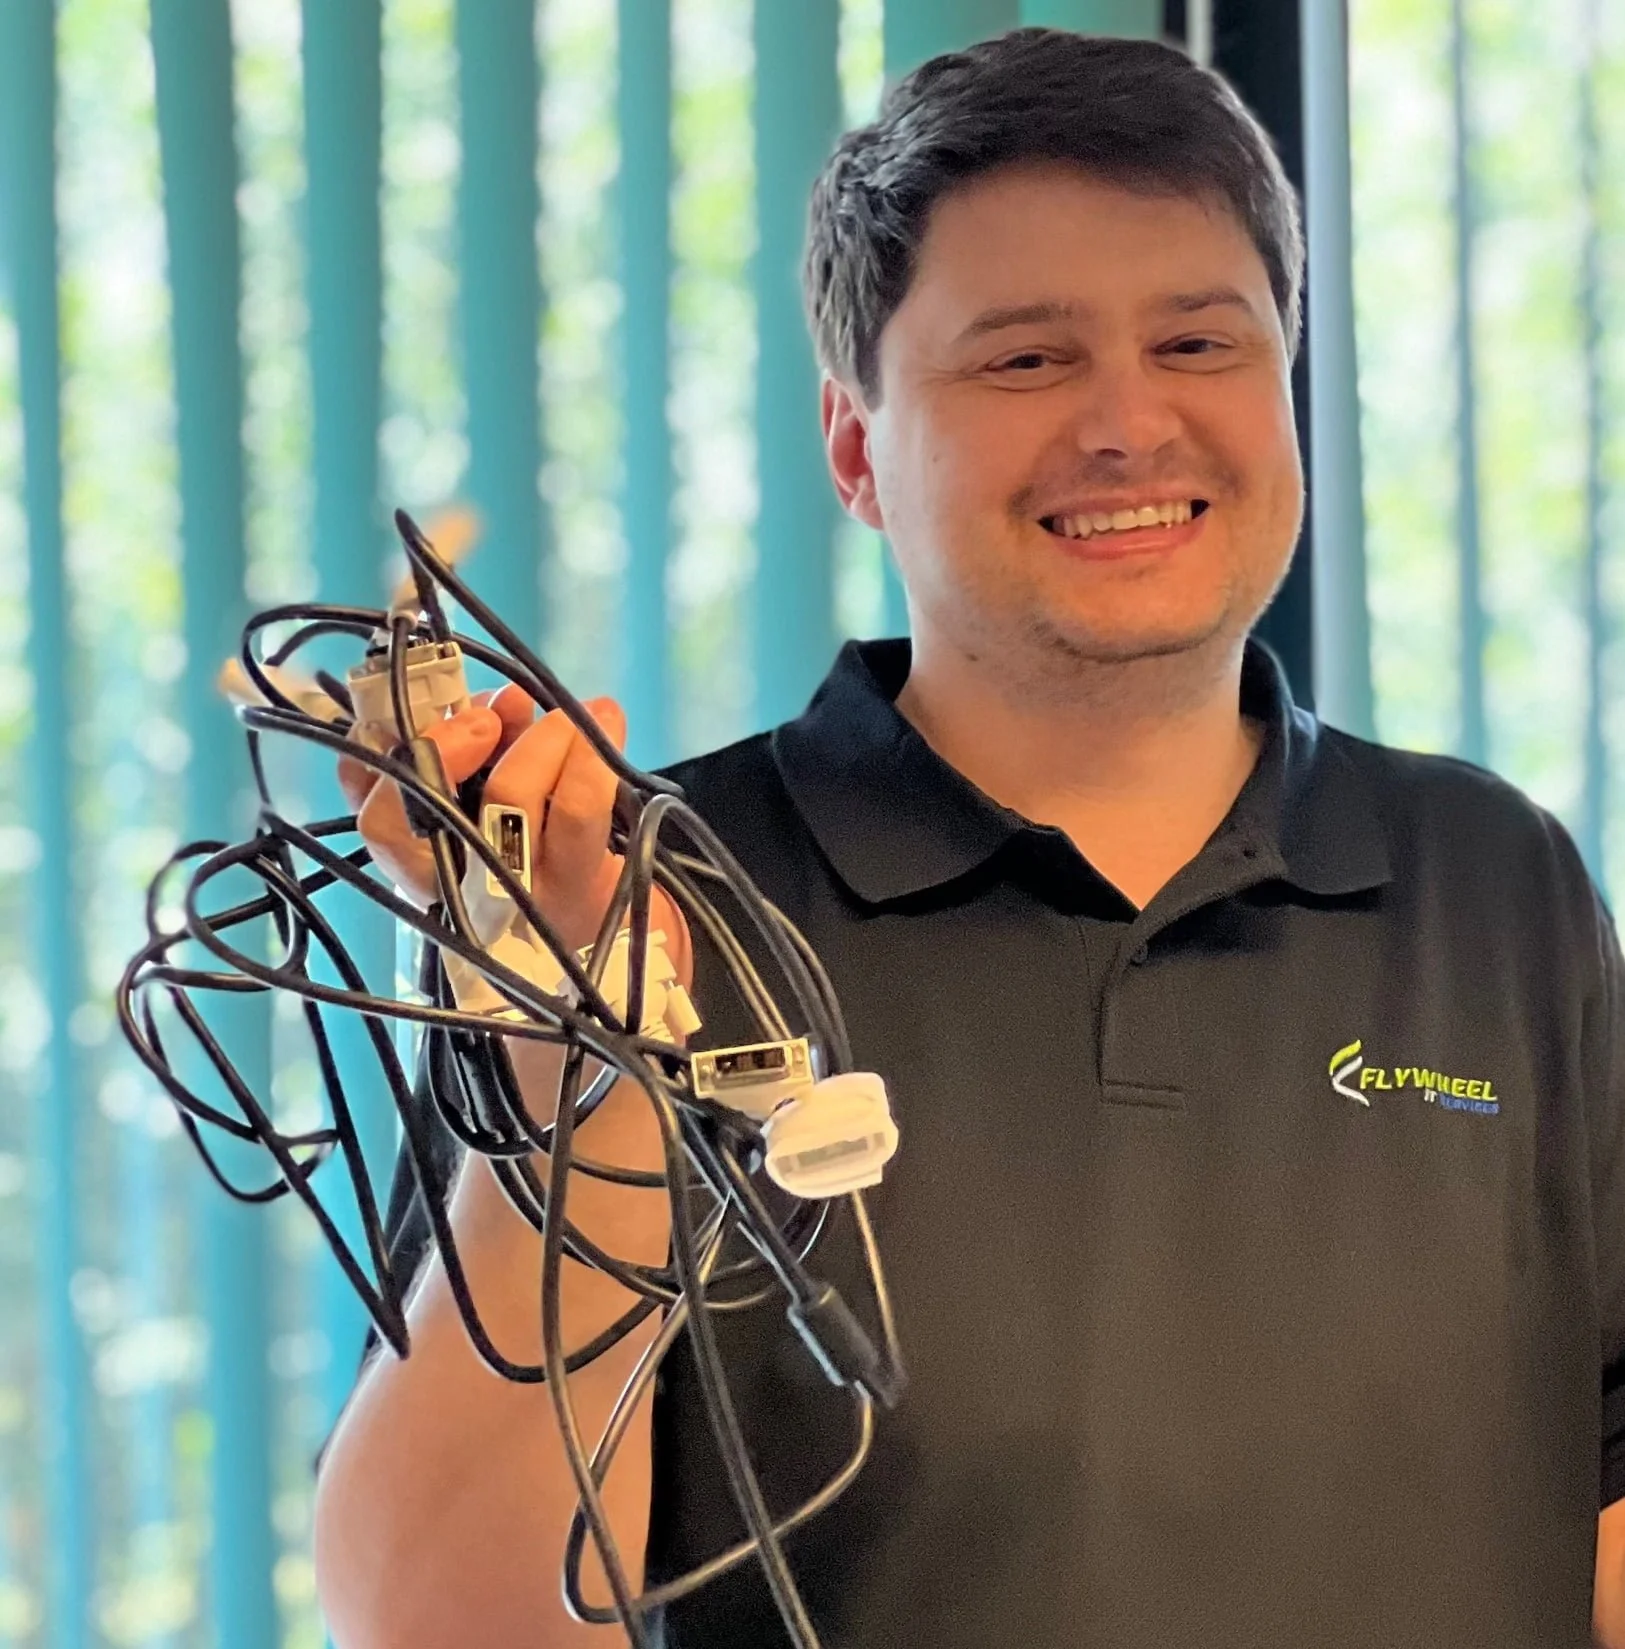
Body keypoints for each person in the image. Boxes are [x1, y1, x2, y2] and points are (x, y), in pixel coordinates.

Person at [311, 27, 1625, 1649]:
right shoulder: (632, 908)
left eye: (1203, 344)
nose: (1131, 427)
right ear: (857, 448)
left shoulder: (1494, 879)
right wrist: (576, 1049)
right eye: (1025, 360)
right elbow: (438, 1619)